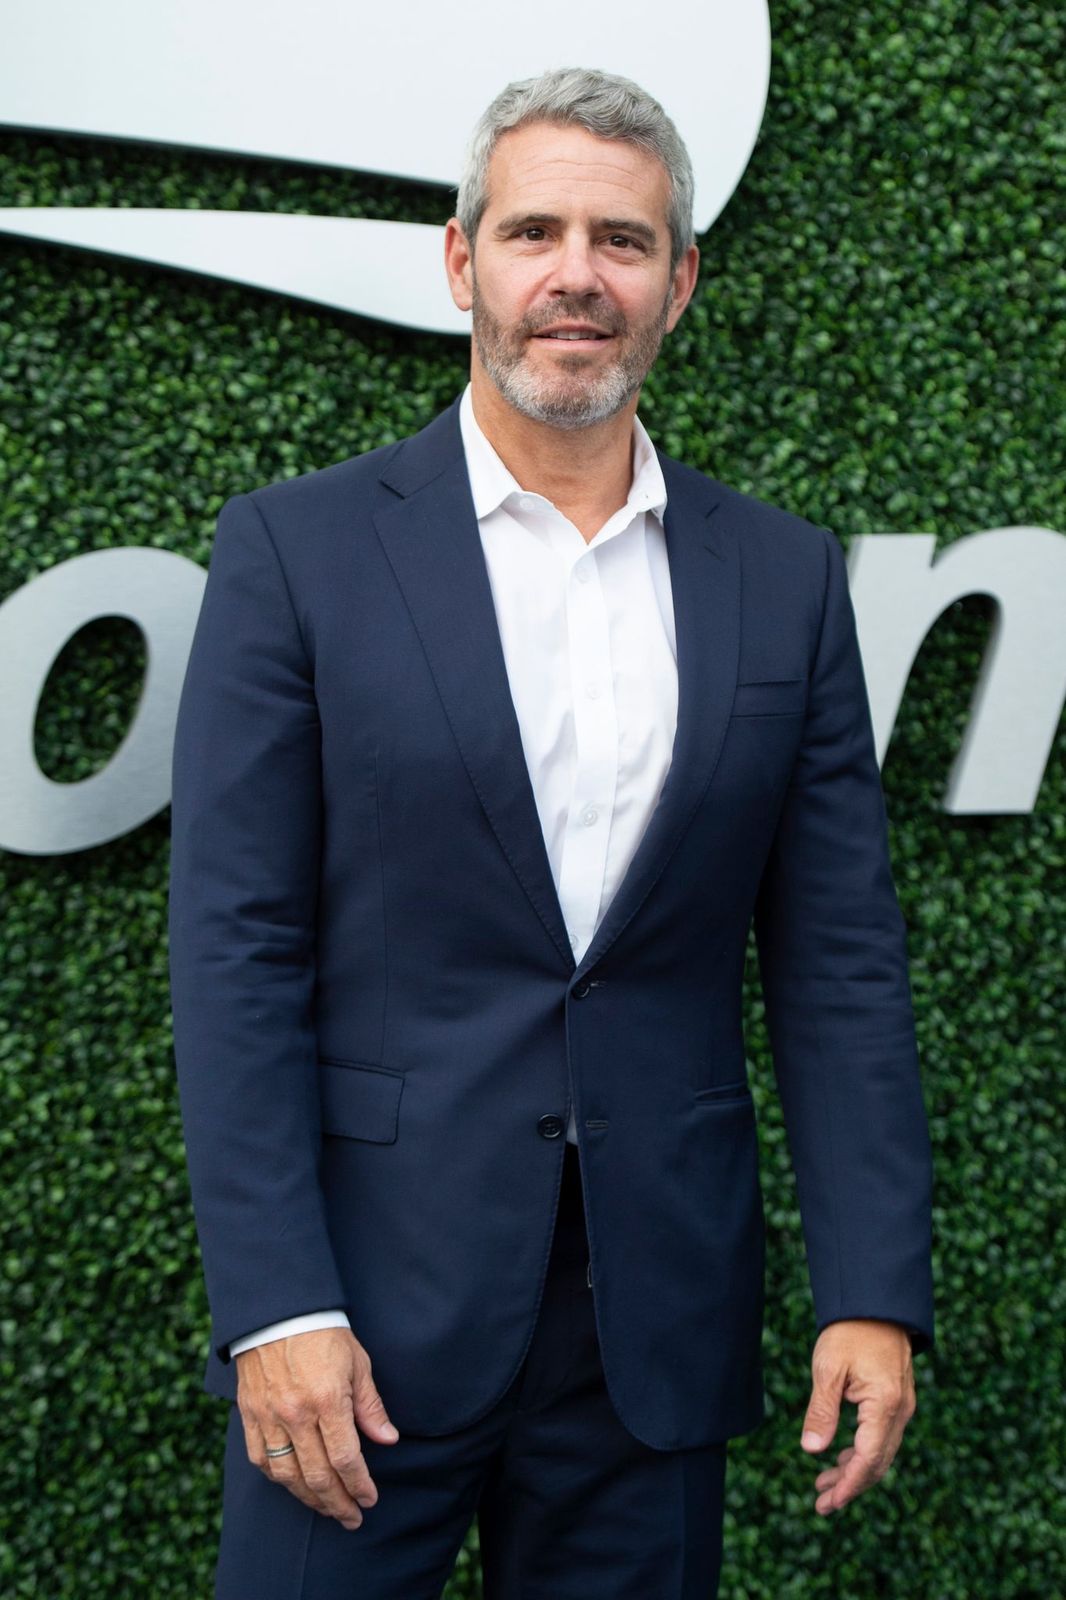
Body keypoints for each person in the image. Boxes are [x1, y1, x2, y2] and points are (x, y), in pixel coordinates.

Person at [168, 65, 935, 1600]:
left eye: (620, 239)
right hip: (358, 1328)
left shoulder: (778, 579)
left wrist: (871, 1291)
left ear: (679, 281)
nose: (573, 275)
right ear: (463, 263)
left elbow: (837, 960)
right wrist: (275, 1308)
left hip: (647, 1329)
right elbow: (236, 951)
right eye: (531, 233)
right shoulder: (295, 551)